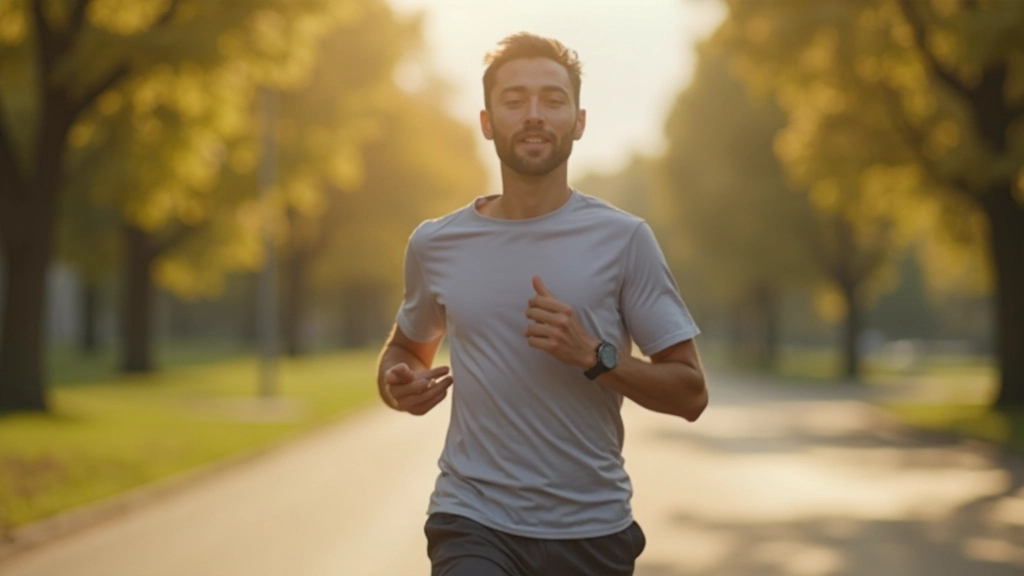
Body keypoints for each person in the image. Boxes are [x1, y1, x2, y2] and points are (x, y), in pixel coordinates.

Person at [376, 31, 708, 576]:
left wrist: (594, 356)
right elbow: (405, 351)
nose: (534, 114)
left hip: (592, 531)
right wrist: (400, 382)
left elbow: (691, 394)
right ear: (487, 122)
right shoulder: (435, 244)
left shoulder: (624, 240)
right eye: (514, 100)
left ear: (578, 121)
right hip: (471, 519)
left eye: (553, 100)